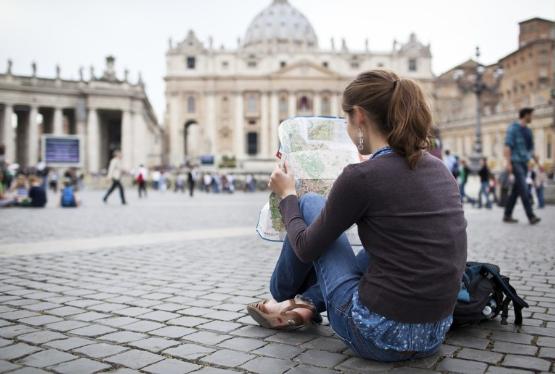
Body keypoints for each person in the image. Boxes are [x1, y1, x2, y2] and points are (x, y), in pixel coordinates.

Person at [247, 70, 467, 362]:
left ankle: (282, 296)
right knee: (387, 245)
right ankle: (308, 303)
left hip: (375, 336)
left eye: (346, 119)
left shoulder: (362, 177)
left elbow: (305, 247)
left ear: (359, 116)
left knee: (310, 203)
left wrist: (288, 195)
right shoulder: (440, 169)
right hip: (432, 335)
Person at [502, 108, 540, 224]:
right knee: (523, 188)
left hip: (524, 163)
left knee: (516, 190)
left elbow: (530, 149)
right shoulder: (513, 128)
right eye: (531, 115)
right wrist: (508, 163)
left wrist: (538, 163)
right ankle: (531, 216)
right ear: (525, 115)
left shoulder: (528, 131)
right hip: (515, 162)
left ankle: (507, 215)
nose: (532, 118)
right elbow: (508, 146)